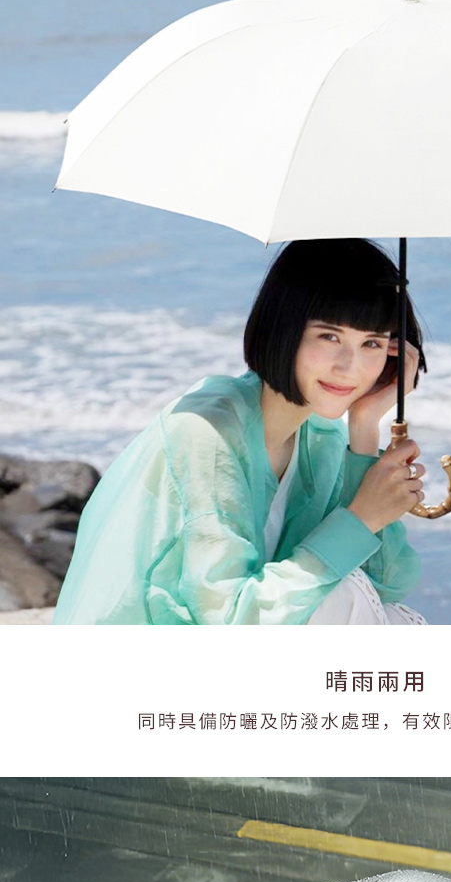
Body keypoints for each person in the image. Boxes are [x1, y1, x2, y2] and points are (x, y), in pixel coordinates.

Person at [54, 238, 428, 625]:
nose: (350, 367)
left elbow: (383, 585)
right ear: (284, 328)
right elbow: (232, 617)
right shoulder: (207, 434)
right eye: (329, 336)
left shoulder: (322, 439)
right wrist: (361, 518)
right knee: (339, 596)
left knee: (378, 611)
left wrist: (365, 428)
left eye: (371, 343)